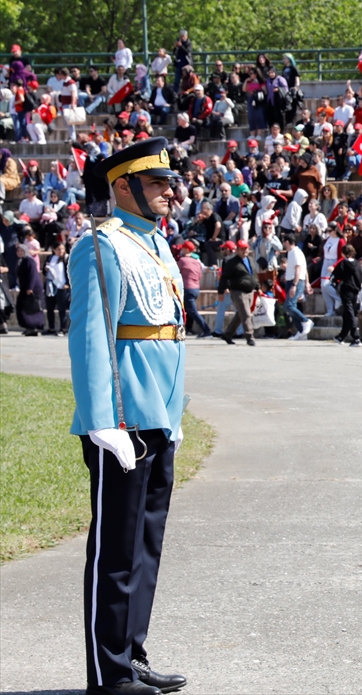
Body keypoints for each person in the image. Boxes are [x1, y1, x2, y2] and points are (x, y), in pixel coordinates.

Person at [68, 137, 189, 694]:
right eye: (157, 181)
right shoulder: (101, 246)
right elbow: (92, 339)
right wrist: (102, 420)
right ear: (123, 186)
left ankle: (131, 654)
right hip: (121, 419)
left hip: (157, 416)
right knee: (115, 550)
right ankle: (108, 673)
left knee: (145, 546)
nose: (170, 190)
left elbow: (169, 336)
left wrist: (175, 411)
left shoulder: (156, 244)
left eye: (169, 181)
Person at [218, 239, 258, 346]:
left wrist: (257, 286)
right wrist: (221, 291)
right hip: (238, 291)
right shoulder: (231, 262)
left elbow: (253, 274)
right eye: (242, 249)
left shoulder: (251, 259)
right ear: (237, 250)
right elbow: (224, 277)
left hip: (250, 291)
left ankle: (227, 334)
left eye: (246, 248)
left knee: (241, 314)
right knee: (246, 313)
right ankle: (250, 337)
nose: (244, 251)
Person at [331, 243, 362, 347]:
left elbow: (335, 277)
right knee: (346, 313)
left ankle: (356, 337)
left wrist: (337, 284)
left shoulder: (343, 263)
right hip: (355, 291)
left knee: (349, 314)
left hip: (346, 290)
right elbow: (361, 277)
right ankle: (341, 336)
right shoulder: (357, 264)